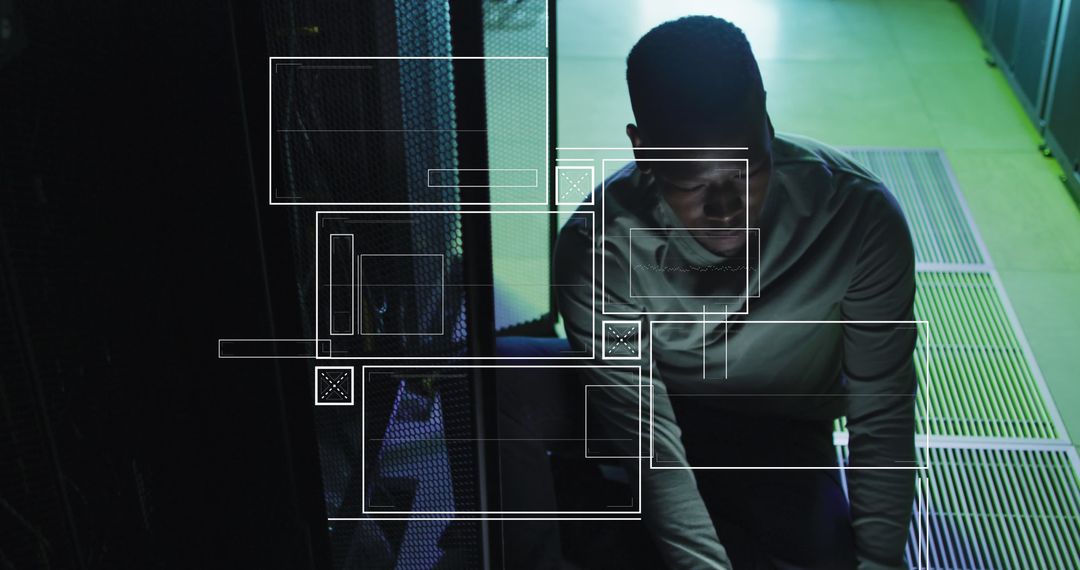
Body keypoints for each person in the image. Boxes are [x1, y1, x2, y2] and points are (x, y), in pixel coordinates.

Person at [555, 15, 917, 570]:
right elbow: (645, 436)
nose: (726, 208)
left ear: (766, 115)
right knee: (502, 384)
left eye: (748, 171)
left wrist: (881, 563)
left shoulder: (858, 220)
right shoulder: (599, 251)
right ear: (643, 149)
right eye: (692, 183)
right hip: (656, 406)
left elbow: (882, 407)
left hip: (782, 430)